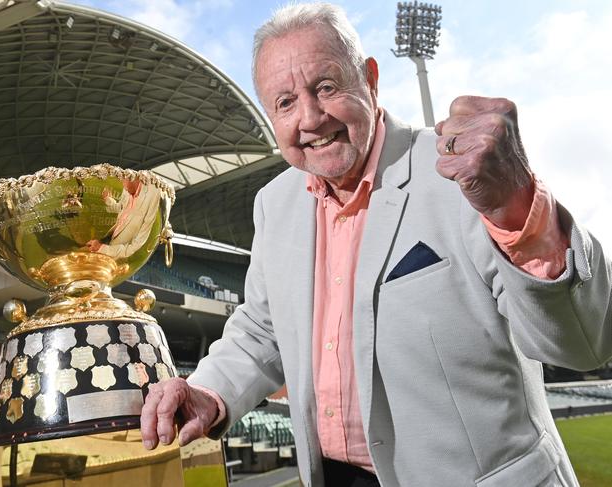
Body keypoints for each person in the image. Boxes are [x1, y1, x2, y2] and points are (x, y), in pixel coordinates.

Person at [140, 3, 612, 486]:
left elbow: (583, 345)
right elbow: (263, 330)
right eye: (284, 103)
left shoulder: (466, 172)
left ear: (370, 79)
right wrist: (209, 391)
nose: (311, 118)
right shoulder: (273, 202)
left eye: (326, 87)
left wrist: (522, 212)